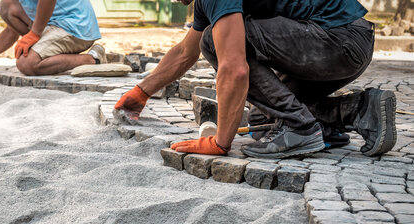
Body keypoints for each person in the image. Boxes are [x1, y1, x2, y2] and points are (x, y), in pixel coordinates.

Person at [114, 0, 396, 158]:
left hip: (335, 40)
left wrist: (220, 143)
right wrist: (141, 93)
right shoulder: (206, 4)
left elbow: (234, 68)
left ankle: (300, 127)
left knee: (215, 40)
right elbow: (184, 52)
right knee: (263, 119)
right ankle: (356, 110)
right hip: (349, 42)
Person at [0, 0, 105, 76]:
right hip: (54, 25)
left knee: (27, 64)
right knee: (7, 6)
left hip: (75, 27)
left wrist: (35, 33)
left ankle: (93, 58)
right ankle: (49, 53)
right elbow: (11, 32)